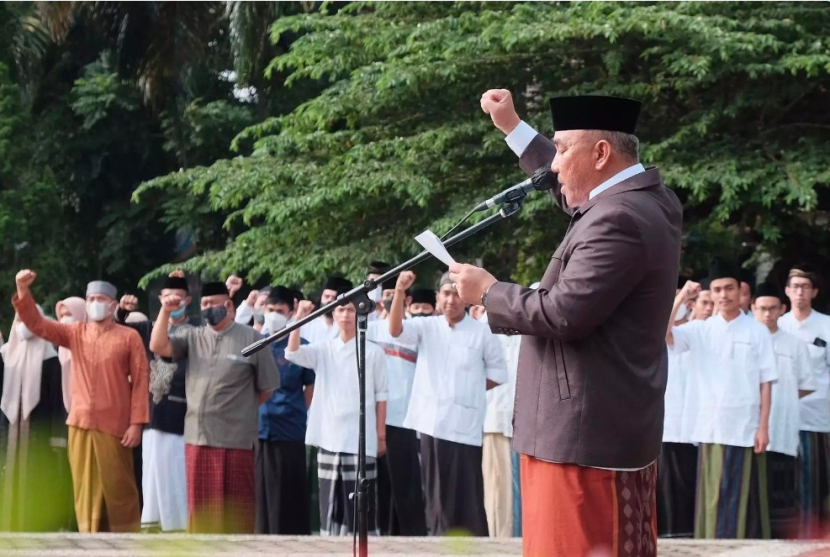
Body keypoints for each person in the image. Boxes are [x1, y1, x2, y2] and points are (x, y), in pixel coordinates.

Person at [448, 90, 681, 554]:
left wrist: (489, 292)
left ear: (601, 153)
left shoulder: (618, 218)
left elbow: (562, 312)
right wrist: (512, 126)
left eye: (560, 149)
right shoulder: (643, 200)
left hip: (581, 439)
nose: (553, 165)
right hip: (603, 428)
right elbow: (568, 190)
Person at [12, 272, 149, 533]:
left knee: (119, 487)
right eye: (91, 299)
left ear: (112, 304)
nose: (95, 303)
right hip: (80, 422)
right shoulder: (75, 332)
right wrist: (22, 290)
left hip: (115, 425)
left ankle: (128, 541)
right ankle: (89, 540)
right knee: (85, 489)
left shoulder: (128, 337)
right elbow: (37, 324)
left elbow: (142, 380)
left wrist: (136, 423)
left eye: (100, 298)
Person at [149, 281, 280, 534]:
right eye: (204, 304)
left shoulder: (251, 338)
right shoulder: (193, 336)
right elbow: (158, 346)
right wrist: (165, 311)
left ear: (229, 305)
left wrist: (240, 410)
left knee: (237, 511)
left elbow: (267, 388)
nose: (208, 308)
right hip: (199, 437)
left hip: (236, 439)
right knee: (200, 511)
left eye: (213, 303)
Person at [390, 271, 507, 537]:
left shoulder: (482, 332)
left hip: (465, 426)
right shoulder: (426, 327)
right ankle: (438, 544)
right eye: (446, 294)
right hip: (431, 424)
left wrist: (467, 392)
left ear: (466, 299)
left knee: (467, 493)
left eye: (456, 294)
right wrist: (399, 292)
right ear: (437, 298)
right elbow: (395, 330)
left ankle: (473, 546)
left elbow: (497, 375)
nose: (451, 300)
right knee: (435, 495)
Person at [668, 263, 776, 539]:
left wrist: (763, 427)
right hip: (710, 424)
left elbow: (766, 382)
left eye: (729, 288)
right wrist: (681, 298)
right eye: (717, 289)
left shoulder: (757, 331)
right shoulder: (700, 330)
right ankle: (710, 546)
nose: (723, 294)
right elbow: (663, 334)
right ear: (710, 293)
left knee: (742, 493)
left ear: (741, 291)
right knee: (713, 494)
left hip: (746, 425)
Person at [285, 295, 388, 536]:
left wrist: (381, 435)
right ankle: (329, 544)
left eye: (351, 310)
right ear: (333, 314)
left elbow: (382, 394)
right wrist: (299, 319)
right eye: (340, 310)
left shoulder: (373, 352)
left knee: (361, 504)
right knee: (329, 502)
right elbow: (292, 353)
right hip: (329, 434)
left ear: (360, 314)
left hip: (360, 438)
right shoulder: (324, 348)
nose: (345, 315)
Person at [0, 309, 74, 532]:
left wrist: (56, 438)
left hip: (39, 433)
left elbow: (55, 401)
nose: (23, 325)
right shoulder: (5, 356)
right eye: (19, 320)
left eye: (28, 319)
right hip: (11, 431)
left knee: (38, 477)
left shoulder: (49, 358)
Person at [752, 281, 816, 539]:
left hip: (783, 428)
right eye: (762, 308)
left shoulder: (794, 345)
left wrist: (783, 399)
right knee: (753, 488)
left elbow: (807, 385)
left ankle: (781, 541)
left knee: (782, 489)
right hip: (748, 429)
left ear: (782, 309)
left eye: (773, 309)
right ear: (753, 309)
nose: (767, 314)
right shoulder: (749, 341)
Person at [367, 280, 428, 536]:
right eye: (389, 294)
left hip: (406, 417)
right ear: (381, 300)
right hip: (375, 416)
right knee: (379, 484)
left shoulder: (416, 331)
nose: (393, 299)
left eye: (399, 295)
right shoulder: (369, 329)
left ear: (408, 302)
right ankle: (379, 534)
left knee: (405, 485)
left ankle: (409, 538)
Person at [256, 286, 315, 535]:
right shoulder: (256, 343)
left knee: (289, 489)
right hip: (259, 427)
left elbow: (309, 388)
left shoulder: (302, 346)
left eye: (280, 310)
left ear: (291, 312)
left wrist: (296, 409)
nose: (274, 315)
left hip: (290, 426)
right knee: (261, 490)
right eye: (270, 310)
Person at [778, 263, 830, 538]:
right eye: (795, 286)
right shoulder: (777, 325)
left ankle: (813, 536)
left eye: (805, 287)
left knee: (814, 479)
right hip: (779, 417)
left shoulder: (826, 325)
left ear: (814, 292)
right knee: (784, 479)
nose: (800, 292)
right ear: (787, 291)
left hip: (816, 415)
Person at [140, 274, 192, 533]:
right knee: (152, 475)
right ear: (160, 300)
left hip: (181, 414)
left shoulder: (196, 333)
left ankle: (177, 529)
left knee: (176, 474)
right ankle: (153, 527)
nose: (173, 304)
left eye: (179, 299)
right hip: (152, 413)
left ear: (188, 301)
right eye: (168, 299)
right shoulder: (149, 329)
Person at [658, 278, 707, 539]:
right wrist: (679, 297)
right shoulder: (667, 336)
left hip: (696, 428)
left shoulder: (701, 333)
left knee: (691, 488)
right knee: (666, 488)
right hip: (666, 427)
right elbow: (662, 331)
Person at [54, 297, 87, 414]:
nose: (64, 320)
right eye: (61, 316)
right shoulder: (61, 347)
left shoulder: (92, 344)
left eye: (68, 314)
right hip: (69, 412)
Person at [301, 276, 353, 344]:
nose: (329, 301)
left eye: (334, 297)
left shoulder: (351, 327)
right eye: (326, 296)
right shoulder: (307, 325)